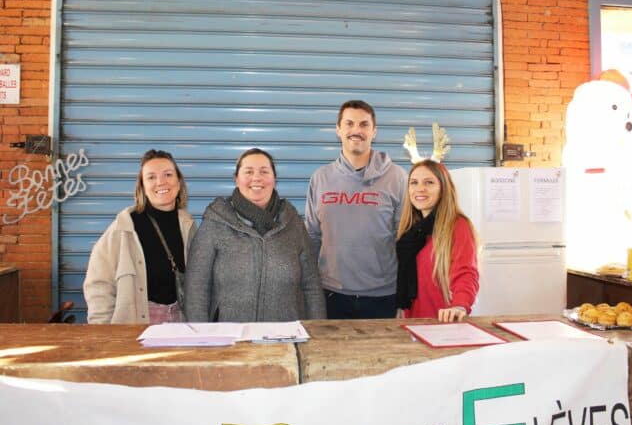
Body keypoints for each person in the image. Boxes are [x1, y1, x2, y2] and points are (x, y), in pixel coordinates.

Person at [184, 148, 326, 322]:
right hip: (231, 339)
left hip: (285, 337)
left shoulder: (293, 223)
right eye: (248, 172)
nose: (256, 178)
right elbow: (196, 286)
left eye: (264, 171)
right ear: (236, 179)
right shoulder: (215, 223)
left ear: (274, 179)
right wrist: (201, 337)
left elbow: (311, 285)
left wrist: (316, 331)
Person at [305, 100, 407, 319]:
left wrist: (405, 296)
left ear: (374, 131)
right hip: (331, 294)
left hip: (383, 296)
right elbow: (312, 237)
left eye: (363, 124)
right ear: (338, 130)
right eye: (349, 123)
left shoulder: (397, 177)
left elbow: (405, 239)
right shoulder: (320, 178)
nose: (356, 131)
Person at [84, 150, 197, 324]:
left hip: (181, 323)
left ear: (179, 181)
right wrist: (103, 330)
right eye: (151, 177)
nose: (161, 182)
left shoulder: (188, 225)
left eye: (168, 174)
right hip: (135, 325)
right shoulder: (124, 228)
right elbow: (98, 283)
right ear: (142, 186)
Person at [395, 160, 479, 322]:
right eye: (414, 183)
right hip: (412, 321)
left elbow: (466, 273)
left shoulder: (457, 225)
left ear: (443, 188)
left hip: (443, 322)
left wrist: (460, 305)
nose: (420, 188)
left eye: (429, 182)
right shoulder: (412, 231)